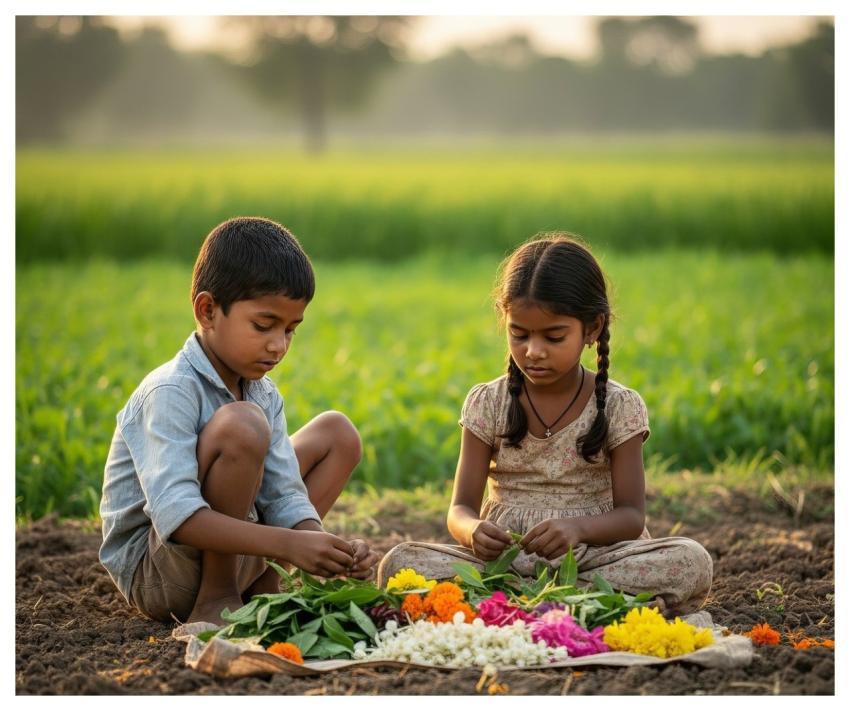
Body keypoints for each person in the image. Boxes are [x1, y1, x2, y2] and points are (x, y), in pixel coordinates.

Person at [377, 234, 713, 616]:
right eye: (518, 334)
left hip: (595, 561)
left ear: (592, 329)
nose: (533, 351)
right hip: (501, 568)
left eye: (554, 337)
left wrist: (579, 530)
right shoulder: (488, 403)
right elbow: (459, 509)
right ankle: (576, 607)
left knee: (690, 561)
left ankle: (517, 607)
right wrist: (472, 531)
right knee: (399, 564)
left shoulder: (620, 406)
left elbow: (632, 517)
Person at [99, 217, 380, 625]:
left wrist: (324, 546)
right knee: (243, 427)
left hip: (233, 545)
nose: (278, 345)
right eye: (264, 326)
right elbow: (177, 516)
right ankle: (216, 598)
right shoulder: (169, 391)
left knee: (338, 433)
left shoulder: (262, 393)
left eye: (291, 330)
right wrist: (288, 543)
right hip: (161, 574)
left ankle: (263, 588)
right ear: (208, 310)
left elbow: (284, 494)